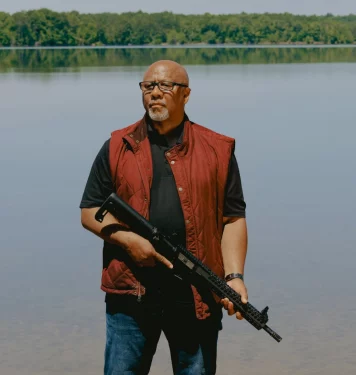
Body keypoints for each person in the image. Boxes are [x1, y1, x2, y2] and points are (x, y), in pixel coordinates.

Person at [80, 60, 249, 375]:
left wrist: (234, 277)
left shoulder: (218, 149)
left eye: (165, 86)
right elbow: (89, 212)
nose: (154, 93)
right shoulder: (118, 145)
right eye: (148, 87)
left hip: (196, 296)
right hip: (131, 296)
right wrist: (127, 240)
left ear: (186, 94)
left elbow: (233, 220)